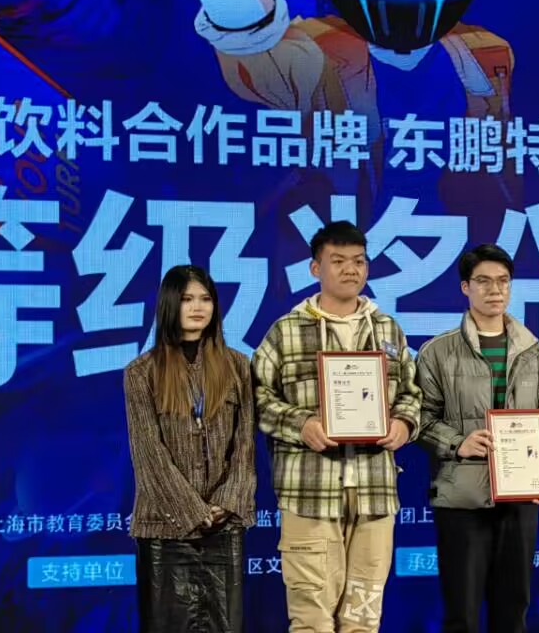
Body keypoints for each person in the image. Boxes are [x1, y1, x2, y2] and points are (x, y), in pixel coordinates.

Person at [252, 220, 422, 633]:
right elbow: (255, 399)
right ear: (316, 268)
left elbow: (412, 393)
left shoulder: (387, 329)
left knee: (364, 619)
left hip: (374, 493)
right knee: (311, 619)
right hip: (309, 493)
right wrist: (301, 424)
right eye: (338, 261)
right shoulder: (286, 331)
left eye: (359, 261)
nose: (351, 269)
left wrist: (403, 424)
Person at [417, 243, 539, 633]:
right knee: (462, 615)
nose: (494, 290)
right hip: (462, 498)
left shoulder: (534, 352)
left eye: (503, 281)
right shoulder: (438, 352)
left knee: (513, 612)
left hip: (520, 500)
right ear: (465, 287)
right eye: (483, 281)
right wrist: (457, 443)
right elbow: (418, 417)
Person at [123, 264, 256, 633]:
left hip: (224, 526)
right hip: (164, 529)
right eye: (186, 299)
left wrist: (226, 503)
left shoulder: (238, 366)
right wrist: (194, 512)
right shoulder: (141, 371)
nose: (198, 307)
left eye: (205, 298)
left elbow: (245, 445)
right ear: (170, 304)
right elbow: (148, 454)